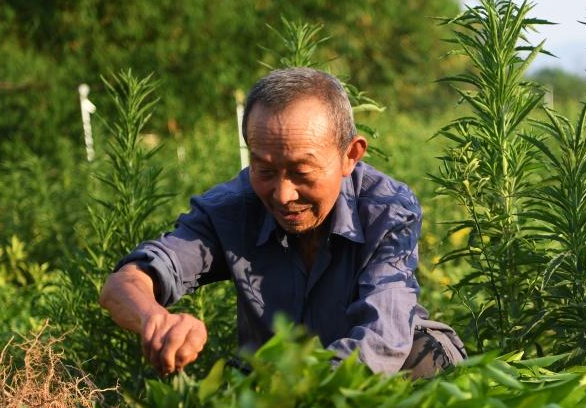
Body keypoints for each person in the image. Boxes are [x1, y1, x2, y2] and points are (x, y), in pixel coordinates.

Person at [99, 67, 466, 379]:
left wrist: (297, 399)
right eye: (265, 170)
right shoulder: (233, 209)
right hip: (272, 387)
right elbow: (124, 283)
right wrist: (155, 319)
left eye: (301, 171)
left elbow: (382, 338)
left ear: (349, 156)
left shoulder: (386, 210)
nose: (283, 194)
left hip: (364, 380)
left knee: (426, 357)